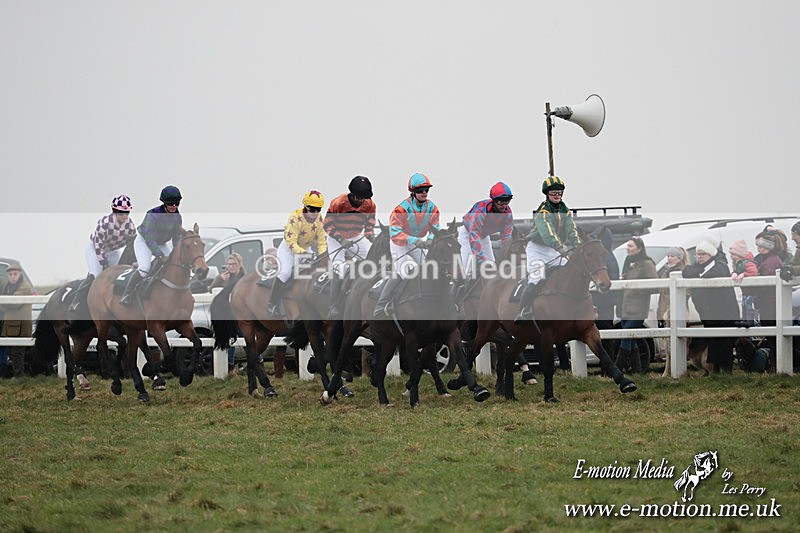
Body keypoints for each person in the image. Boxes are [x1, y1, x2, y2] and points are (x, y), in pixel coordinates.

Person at [514, 176, 580, 324]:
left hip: (555, 249)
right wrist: (560, 247)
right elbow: (547, 233)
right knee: (536, 277)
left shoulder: (566, 211)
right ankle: (522, 310)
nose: (557, 195)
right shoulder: (542, 212)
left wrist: (578, 245)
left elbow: (572, 230)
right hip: (537, 248)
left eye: (559, 192)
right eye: (553, 193)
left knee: (569, 272)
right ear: (547, 194)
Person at [374, 173, 441, 317]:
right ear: (413, 192)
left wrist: (430, 238)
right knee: (403, 271)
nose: (424, 193)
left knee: (428, 269)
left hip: (417, 242)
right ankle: (381, 304)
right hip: (399, 243)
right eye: (420, 190)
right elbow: (395, 233)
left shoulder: (432, 208)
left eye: (426, 190)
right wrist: (414, 240)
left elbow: (436, 226)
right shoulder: (401, 209)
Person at [69, 195, 136, 312]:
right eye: (121, 213)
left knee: (118, 275)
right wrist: (104, 263)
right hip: (95, 249)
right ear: (114, 211)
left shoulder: (130, 225)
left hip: (114, 250)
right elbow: (98, 245)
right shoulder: (104, 223)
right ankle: (76, 301)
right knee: (95, 274)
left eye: (127, 213)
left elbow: (132, 243)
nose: (125, 216)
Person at [682, 235, 739, 372]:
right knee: (713, 341)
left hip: (724, 311)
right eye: (697, 254)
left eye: (703, 254)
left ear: (711, 254)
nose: (699, 257)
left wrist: (699, 273)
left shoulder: (720, 263)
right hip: (709, 311)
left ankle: (726, 371)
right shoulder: (700, 265)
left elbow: (714, 273)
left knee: (724, 342)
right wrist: (699, 272)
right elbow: (686, 271)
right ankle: (715, 371)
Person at [119, 185, 184, 306]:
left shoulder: (177, 217)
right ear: (164, 203)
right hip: (144, 241)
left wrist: (177, 253)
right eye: (171, 203)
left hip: (161, 243)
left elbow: (176, 238)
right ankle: (126, 294)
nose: (174, 206)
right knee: (145, 268)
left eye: (177, 203)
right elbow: (150, 239)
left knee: (174, 265)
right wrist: (159, 256)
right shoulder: (152, 214)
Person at [322, 176, 376, 318]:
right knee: (339, 269)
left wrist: (372, 237)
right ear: (352, 193)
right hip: (336, 238)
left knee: (371, 264)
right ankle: (333, 306)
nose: (361, 200)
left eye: (364, 197)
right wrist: (340, 238)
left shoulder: (370, 204)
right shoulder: (338, 203)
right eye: (359, 197)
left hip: (356, 237)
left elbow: (369, 224)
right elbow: (327, 224)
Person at [267, 190, 328, 316]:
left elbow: (321, 242)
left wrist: (323, 256)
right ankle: (272, 303)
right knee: (285, 272)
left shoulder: (320, 220)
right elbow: (291, 242)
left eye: (318, 209)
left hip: (306, 249)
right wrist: (304, 254)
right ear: (305, 207)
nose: (315, 213)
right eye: (312, 209)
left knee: (315, 272)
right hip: (288, 249)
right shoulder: (295, 218)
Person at [456, 181, 514, 305]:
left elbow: (507, 238)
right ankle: (457, 302)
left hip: (484, 237)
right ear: (493, 200)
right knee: (468, 271)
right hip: (467, 235)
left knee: (492, 269)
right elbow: (474, 237)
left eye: (507, 200)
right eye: (501, 201)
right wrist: (481, 261)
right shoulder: (481, 210)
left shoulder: (508, 213)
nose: (504, 204)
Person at [616, 237, 657, 373]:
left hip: (638, 309)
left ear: (639, 248)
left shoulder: (647, 264)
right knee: (631, 339)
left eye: (631, 246)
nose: (628, 248)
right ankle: (638, 370)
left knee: (626, 336)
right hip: (625, 307)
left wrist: (636, 288)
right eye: (627, 246)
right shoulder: (628, 262)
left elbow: (655, 285)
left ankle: (616, 368)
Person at [752, 232, 784, 369]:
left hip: (769, 304)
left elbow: (765, 286)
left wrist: (754, 293)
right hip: (770, 303)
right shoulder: (772, 259)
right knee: (773, 336)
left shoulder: (769, 263)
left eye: (761, 247)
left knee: (773, 336)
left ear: (768, 248)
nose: (758, 249)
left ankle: (777, 364)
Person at [210, 253, 245, 374]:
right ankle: (230, 367)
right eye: (229, 264)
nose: (231, 267)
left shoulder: (244, 278)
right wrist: (219, 279)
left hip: (241, 314)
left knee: (246, 338)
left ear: (239, 265)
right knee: (230, 340)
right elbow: (211, 289)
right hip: (227, 314)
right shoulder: (224, 278)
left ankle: (257, 361)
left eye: (234, 264)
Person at [1, 263, 33, 377]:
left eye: (15, 274)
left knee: (17, 352)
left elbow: (14, 303)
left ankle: (19, 375)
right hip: (11, 325)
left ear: (20, 274)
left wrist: (2, 304)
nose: (12, 277)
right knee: (12, 351)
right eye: (10, 274)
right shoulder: (8, 286)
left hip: (21, 325)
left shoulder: (25, 286)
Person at [728, 239, 759, 326]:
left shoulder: (747, 263)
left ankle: (750, 320)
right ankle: (745, 319)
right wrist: (734, 273)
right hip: (745, 291)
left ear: (739, 255)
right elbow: (735, 271)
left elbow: (753, 272)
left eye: (733, 254)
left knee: (748, 303)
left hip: (752, 290)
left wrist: (744, 274)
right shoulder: (737, 263)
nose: (731, 256)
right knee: (744, 304)